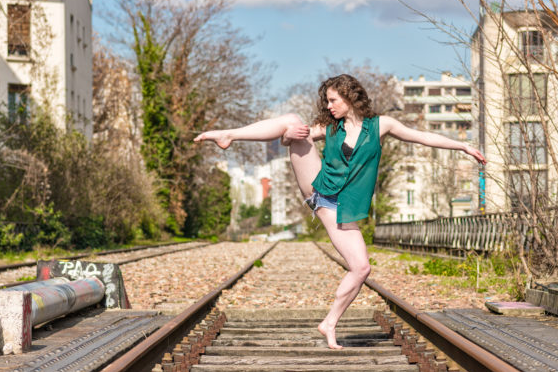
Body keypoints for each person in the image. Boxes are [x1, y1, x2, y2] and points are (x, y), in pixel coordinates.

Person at [194, 74, 486, 349]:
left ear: (350, 97)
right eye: (328, 101)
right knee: (293, 122)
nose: (328, 106)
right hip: (318, 187)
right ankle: (229, 135)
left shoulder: (381, 125)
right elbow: (290, 140)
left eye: (333, 100)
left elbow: (422, 137)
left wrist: (462, 146)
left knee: (361, 267)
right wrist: (287, 136)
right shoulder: (329, 128)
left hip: (343, 206)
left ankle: (329, 323)